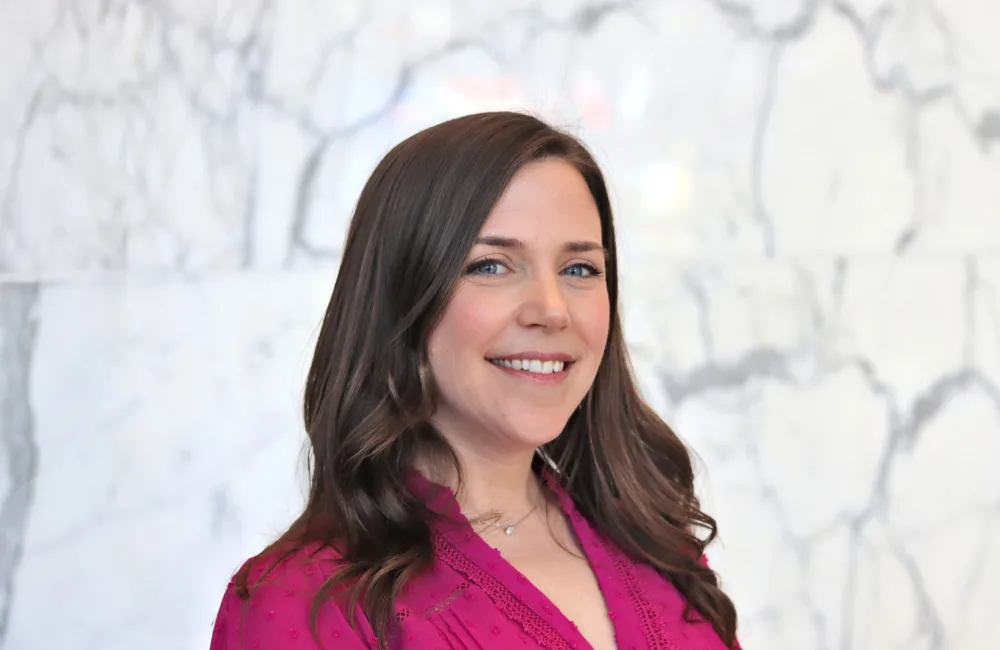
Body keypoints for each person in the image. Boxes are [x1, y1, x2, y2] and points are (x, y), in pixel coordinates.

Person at [209, 111, 739, 650]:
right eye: (492, 265)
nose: (551, 310)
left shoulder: (656, 546)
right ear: (401, 299)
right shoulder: (305, 601)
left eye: (578, 269)